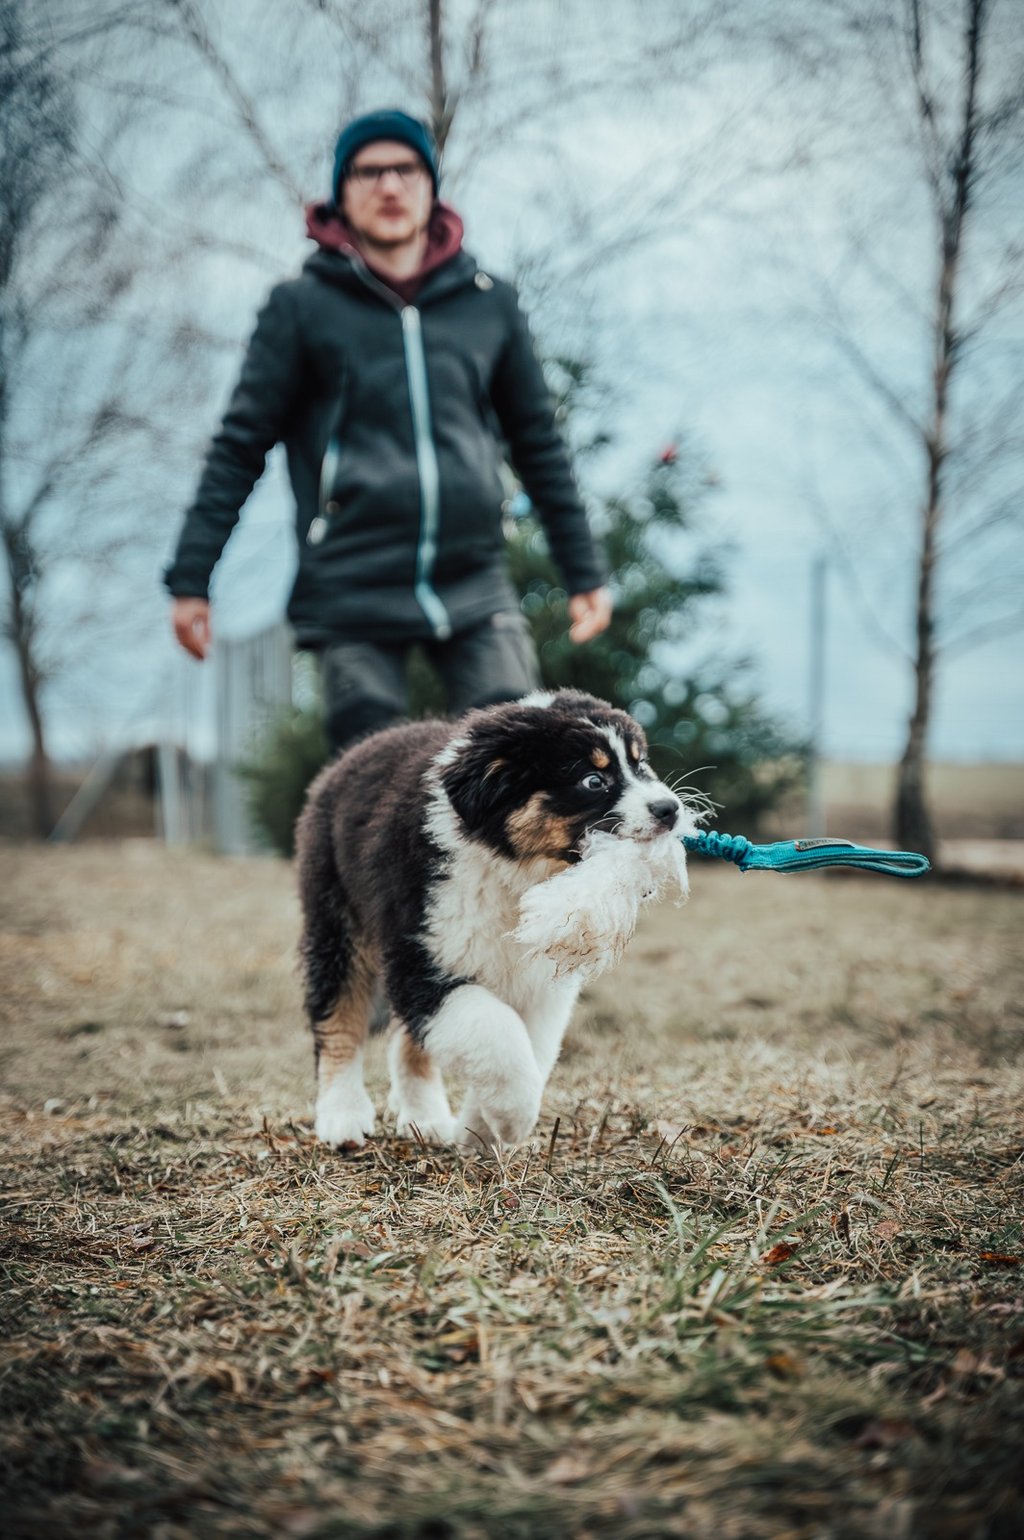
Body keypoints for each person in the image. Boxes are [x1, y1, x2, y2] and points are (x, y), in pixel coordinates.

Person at [165, 108, 612, 755]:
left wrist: (584, 571)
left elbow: (537, 440)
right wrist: (190, 579)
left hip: (473, 574)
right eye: (369, 172)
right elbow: (239, 447)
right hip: (351, 578)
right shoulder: (299, 307)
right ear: (342, 194)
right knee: (370, 775)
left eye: (405, 169)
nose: (390, 186)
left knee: (516, 752)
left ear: (431, 187)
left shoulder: (489, 303)